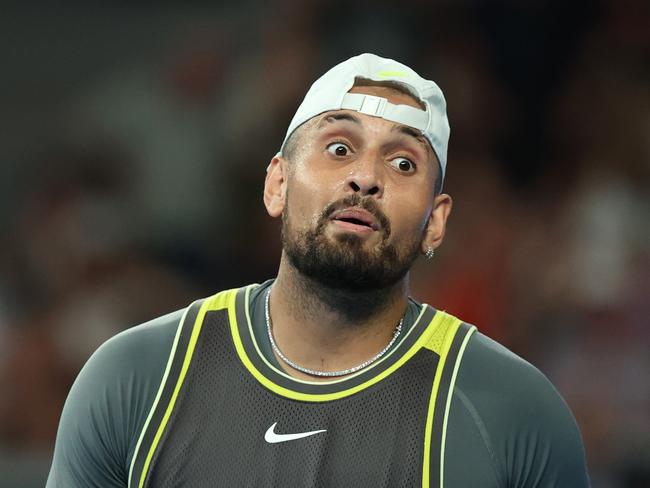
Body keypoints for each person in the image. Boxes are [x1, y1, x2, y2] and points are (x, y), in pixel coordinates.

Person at [47, 53, 590, 487]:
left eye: (403, 163)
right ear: (277, 184)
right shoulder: (137, 381)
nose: (365, 177)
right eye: (338, 147)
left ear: (436, 223)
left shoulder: (515, 413)